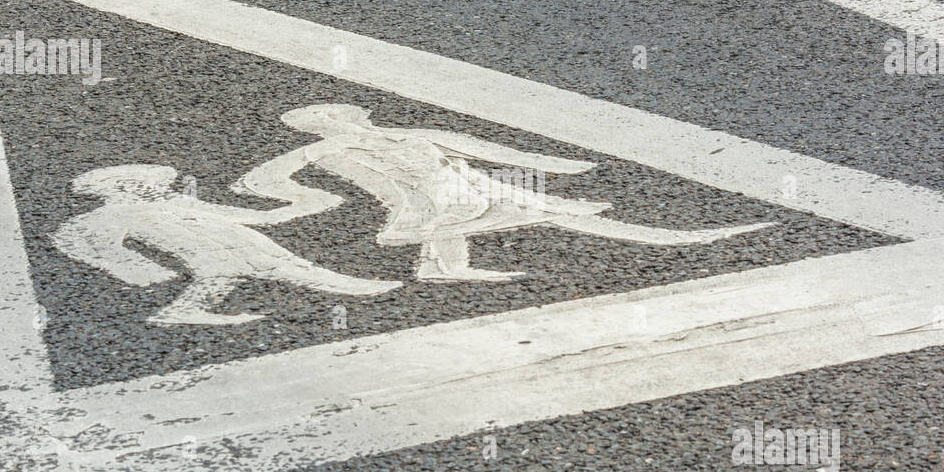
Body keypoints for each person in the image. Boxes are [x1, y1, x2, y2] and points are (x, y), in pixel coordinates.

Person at [233, 104, 772, 282]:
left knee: (555, 213)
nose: (342, 118)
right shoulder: (321, 153)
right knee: (477, 220)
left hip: (471, 185)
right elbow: (265, 179)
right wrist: (302, 202)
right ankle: (442, 267)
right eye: (327, 117)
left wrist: (559, 166)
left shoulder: (409, 135)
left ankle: (676, 239)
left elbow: (485, 147)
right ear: (321, 126)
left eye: (340, 112)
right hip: (432, 200)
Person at [52, 164, 399, 325]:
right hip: (201, 251)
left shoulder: (182, 203)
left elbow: (251, 218)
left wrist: (300, 207)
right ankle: (181, 310)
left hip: (239, 242)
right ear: (121, 189)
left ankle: (333, 280)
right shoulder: (108, 216)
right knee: (222, 266)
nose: (159, 186)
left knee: (268, 255)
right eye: (146, 183)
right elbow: (93, 243)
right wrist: (139, 270)